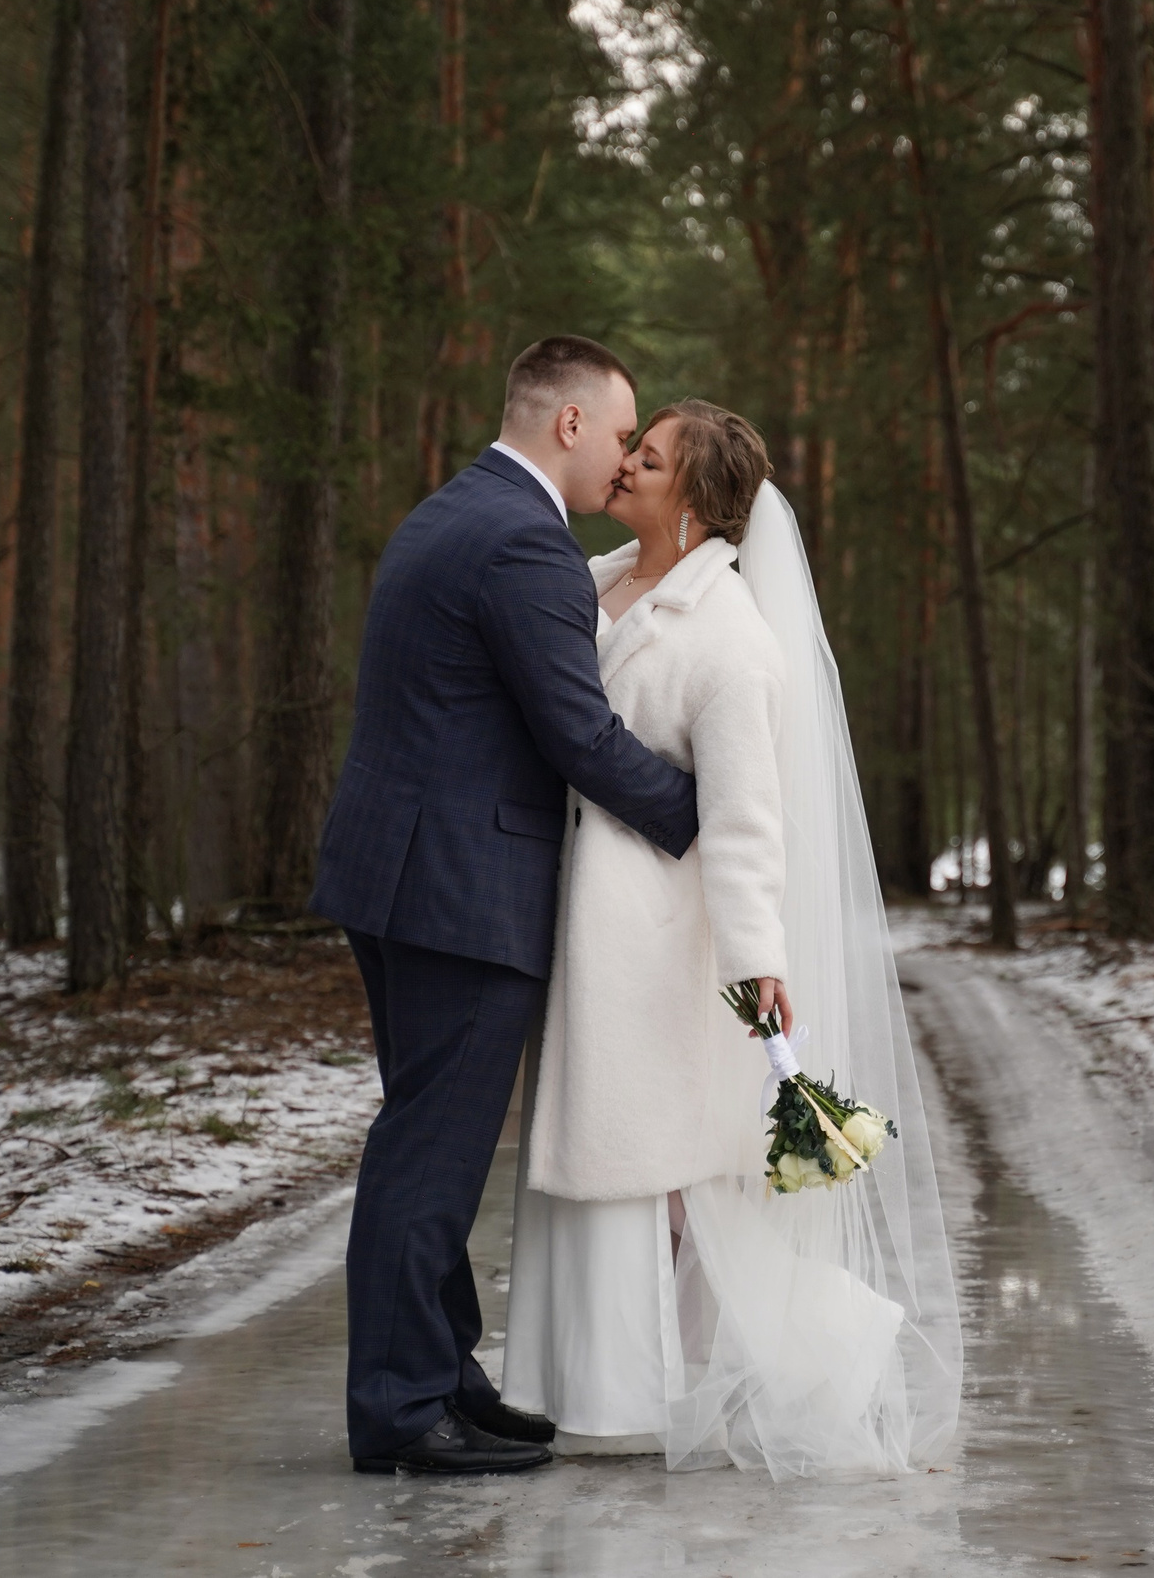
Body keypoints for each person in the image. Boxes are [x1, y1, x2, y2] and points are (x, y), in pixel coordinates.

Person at [502, 400, 961, 1476]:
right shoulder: (601, 578)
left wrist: (760, 963)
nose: (623, 466)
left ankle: (721, 1374)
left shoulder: (733, 641)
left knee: (645, 1168)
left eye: (648, 459)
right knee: (605, 1160)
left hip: (660, 945)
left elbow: (751, 825)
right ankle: (573, 1386)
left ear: (699, 506)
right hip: (583, 928)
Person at [310, 337, 701, 1477]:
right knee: (426, 1159)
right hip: (460, 894)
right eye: (622, 434)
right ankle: (396, 1409)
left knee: (422, 1141)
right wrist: (703, 815)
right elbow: (578, 736)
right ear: (570, 425)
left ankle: (445, 1378)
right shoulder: (526, 541)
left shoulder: (448, 511)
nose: (626, 459)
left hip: (397, 877)